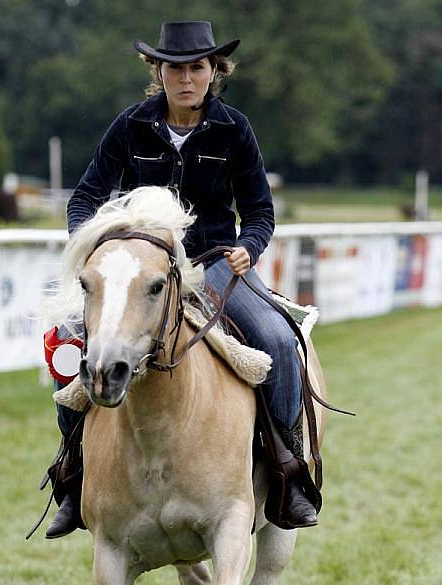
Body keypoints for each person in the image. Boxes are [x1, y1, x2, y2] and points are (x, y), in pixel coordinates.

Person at [44, 21, 318, 539]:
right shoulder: (129, 126)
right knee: (70, 349)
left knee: (281, 341)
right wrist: (98, 245)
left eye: (197, 67)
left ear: (215, 72)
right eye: (175, 68)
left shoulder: (235, 129)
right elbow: (84, 199)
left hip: (214, 262)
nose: (186, 78)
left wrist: (249, 247)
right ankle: (71, 478)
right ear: (158, 71)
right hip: (141, 267)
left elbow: (260, 210)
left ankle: (288, 470)